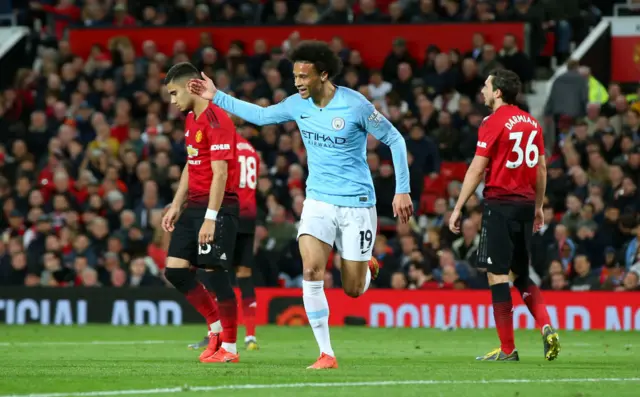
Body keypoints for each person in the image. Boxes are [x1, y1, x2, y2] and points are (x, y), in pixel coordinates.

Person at [188, 40, 413, 369]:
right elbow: (262, 117)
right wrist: (216, 95)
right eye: (294, 76)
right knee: (311, 270)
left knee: (352, 289)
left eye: (303, 76)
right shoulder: (297, 104)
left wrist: (402, 189)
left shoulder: (356, 105)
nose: (297, 82)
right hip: (318, 201)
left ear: (323, 74)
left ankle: (366, 268)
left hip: (357, 204)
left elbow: (395, 138)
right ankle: (326, 353)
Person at [448, 69, 560, 362]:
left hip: (500, 204)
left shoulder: (493, 122)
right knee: (520, 273)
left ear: (498, 92)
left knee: (497, 275)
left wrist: (459, 206)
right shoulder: (532, 123)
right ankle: (546, 324)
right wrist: (538, 207)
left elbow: (476, 167)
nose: (483, 91)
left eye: (486, 86)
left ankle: (508, 349)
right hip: (525, 205)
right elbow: (541, 169)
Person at [161, 62, 241, 364]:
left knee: (215, 275)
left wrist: (211, 217)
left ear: (191, 86)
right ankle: (216, 328)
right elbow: (191, 164)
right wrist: (176, 204)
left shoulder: (216, 119)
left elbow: (219, 174)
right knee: (175, 271)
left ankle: (230, 349)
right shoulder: (191, 119)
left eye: (174, 93)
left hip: (218, 207)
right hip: (193, 205)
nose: (172, 101)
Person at [188, 134, 261, 352]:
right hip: (249, 215)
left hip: (228, 212)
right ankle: (250, 336)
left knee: (210, 271)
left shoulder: (224, 145)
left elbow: (219, 177)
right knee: (245, 274)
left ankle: (216, 333)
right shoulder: (250, 148)